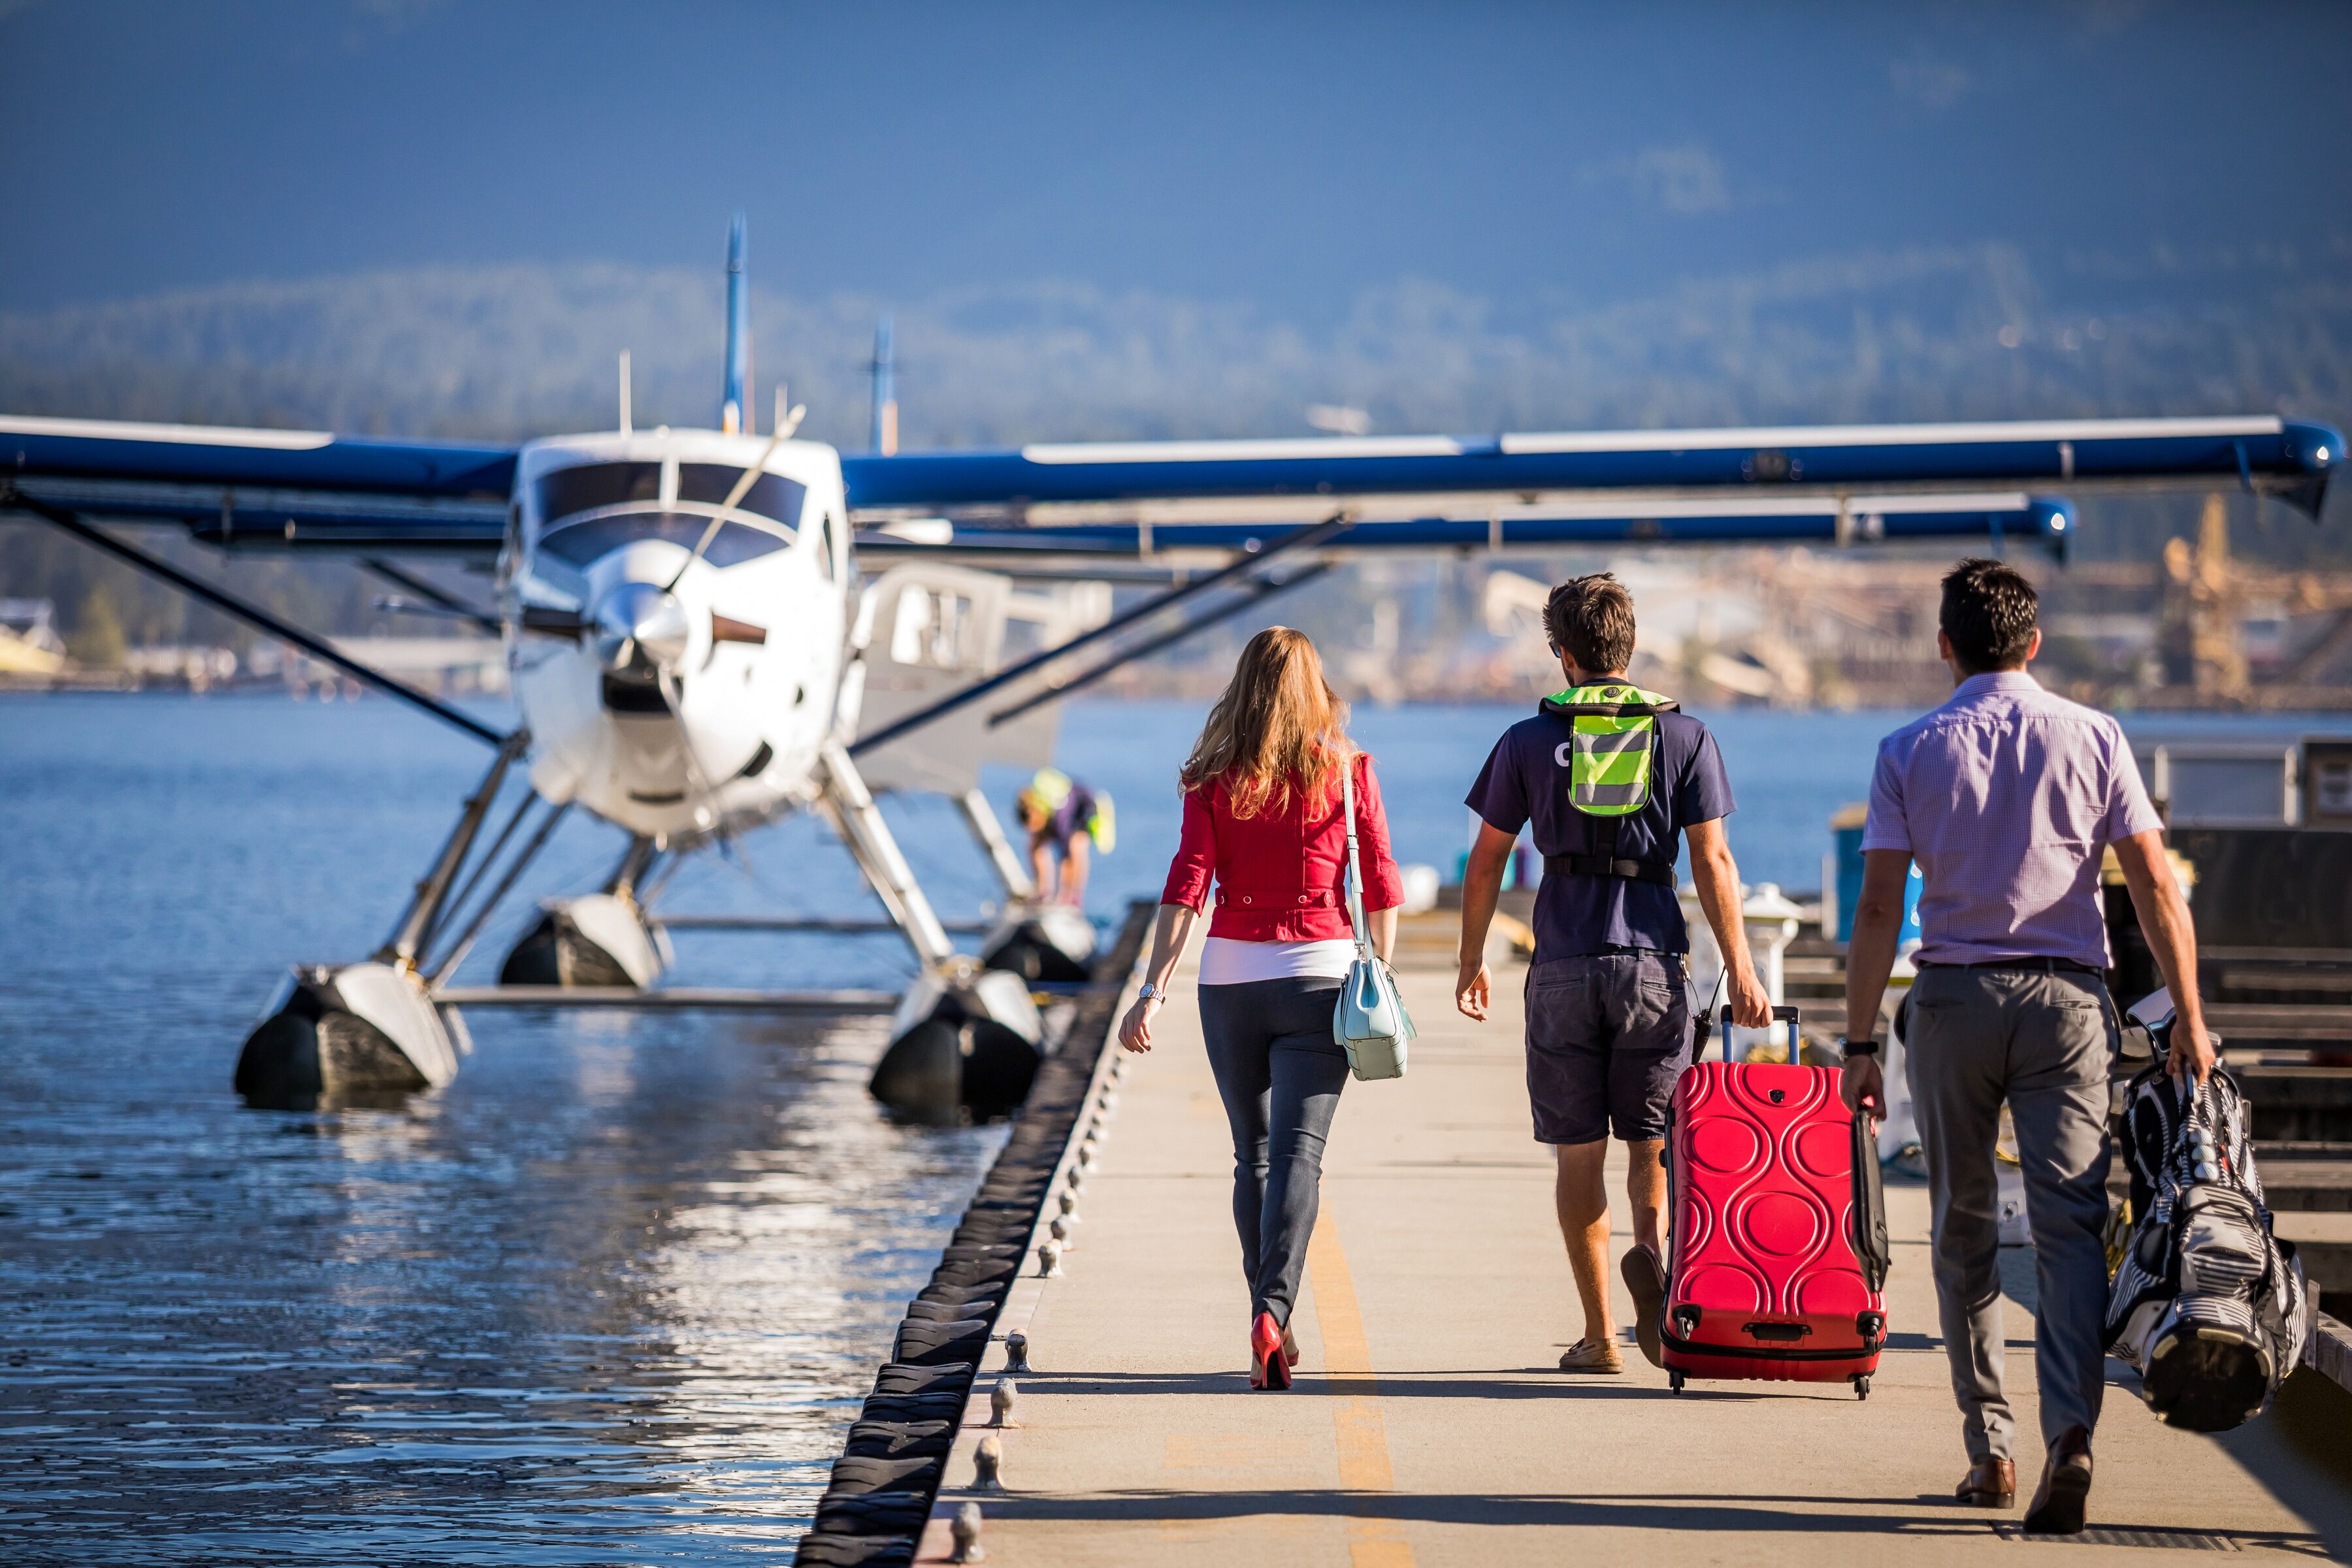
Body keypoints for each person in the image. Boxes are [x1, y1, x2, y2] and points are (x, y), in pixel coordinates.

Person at [1841, 557, 2213, 1536]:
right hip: (2068, 1006)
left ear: (1945, 647)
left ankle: (1991, 1450)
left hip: (1954, 1001)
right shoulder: (2096, 735)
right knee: (2069, 1227)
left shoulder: (1907, 748)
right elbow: (2155, 887)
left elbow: (1880, 904)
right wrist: (2192, 1017)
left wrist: (1857, 1039)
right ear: (2034, 644)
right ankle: (2073, 1435)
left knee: (1963, 1227)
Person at [1456, 573, 1771, 1375]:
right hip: (1655, 965)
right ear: (1631, 646)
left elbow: (1488, 857)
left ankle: (1599, 1335)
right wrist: (1741, 968)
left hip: (1561, 961)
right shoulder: (1687, 736)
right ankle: (1653, 1267)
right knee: (1650, 1144)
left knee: (1577, 1154)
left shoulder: (1529, 741)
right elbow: (1714, 859)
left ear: (1562, 654)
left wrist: (1470, 960)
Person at [1117, 628, 1402, 1391]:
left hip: (1231, 978)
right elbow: (1380, 883)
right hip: (1322, 974)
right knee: (1299, 1155)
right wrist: (1383, 972)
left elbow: (1188, 886)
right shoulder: (1351, 772)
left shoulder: (1213, 780)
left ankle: (1266, 1320)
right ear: (1317, 688)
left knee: (1254, 1156)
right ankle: (1272, 1313)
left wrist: (1153, 990)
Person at [1015, 767, 1112, 906]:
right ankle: (1042, 892)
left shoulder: (1060, 818)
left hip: (1084, 810)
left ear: (1037, 814)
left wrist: (1062, 895)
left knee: (1075, 847)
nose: (1033, 829)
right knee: (1035, 844)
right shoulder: (1032, 803)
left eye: (1034, 824)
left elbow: (1066, 858)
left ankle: (1072, 897)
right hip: (1060, 809)